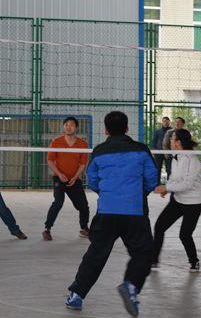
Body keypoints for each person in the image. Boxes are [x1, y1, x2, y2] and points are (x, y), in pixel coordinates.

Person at [65, 111, 159, 317]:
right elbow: (152, 179)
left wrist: (109, 194)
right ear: (127, 128)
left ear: (106, 130)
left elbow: (93, 180)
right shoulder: (141, 150)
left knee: (96, 254)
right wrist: (136, 194)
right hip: (134, 212)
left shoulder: (99, 152)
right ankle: (131, 285)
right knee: (144, 253)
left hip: (107, 211)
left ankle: (76, 295)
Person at [151, 128, 201, 272]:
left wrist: (166, 187)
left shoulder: (192, 159)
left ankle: (194, 261)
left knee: (184, 235)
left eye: (172, 138)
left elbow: (186, 184)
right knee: (159, 226)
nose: (170, 141)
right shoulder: (176, 157)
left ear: (179, 142)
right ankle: (153, 260)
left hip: (194, 202)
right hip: (178, 200)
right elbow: (174, 178)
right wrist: (167, 189)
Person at [43, 117, 91, 240]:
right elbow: (50, 160)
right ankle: (47, 229)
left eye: (71, 125)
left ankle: (84, 228)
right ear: (63, 127)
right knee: (58, 202)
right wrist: (59, 174)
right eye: (66, 125)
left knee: (83, 205)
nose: (68, 127)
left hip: (74, 179)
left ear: (76, 127)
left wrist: (75, 177)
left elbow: (83, 164)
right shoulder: (56, 142)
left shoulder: (83, 144)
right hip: (59, 178)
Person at [151, 116, 172, 181]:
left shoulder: (172, 131)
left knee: (169, 169)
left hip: (168, 153)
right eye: (164, 121)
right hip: (158, 153)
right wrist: (154, 152)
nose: (166, 123)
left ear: (169, 122)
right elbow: (154, 142)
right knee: (157, 169)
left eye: (167, 122)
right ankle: (157, 184)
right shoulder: (157, 131)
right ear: (162, 122)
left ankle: (169, 184)